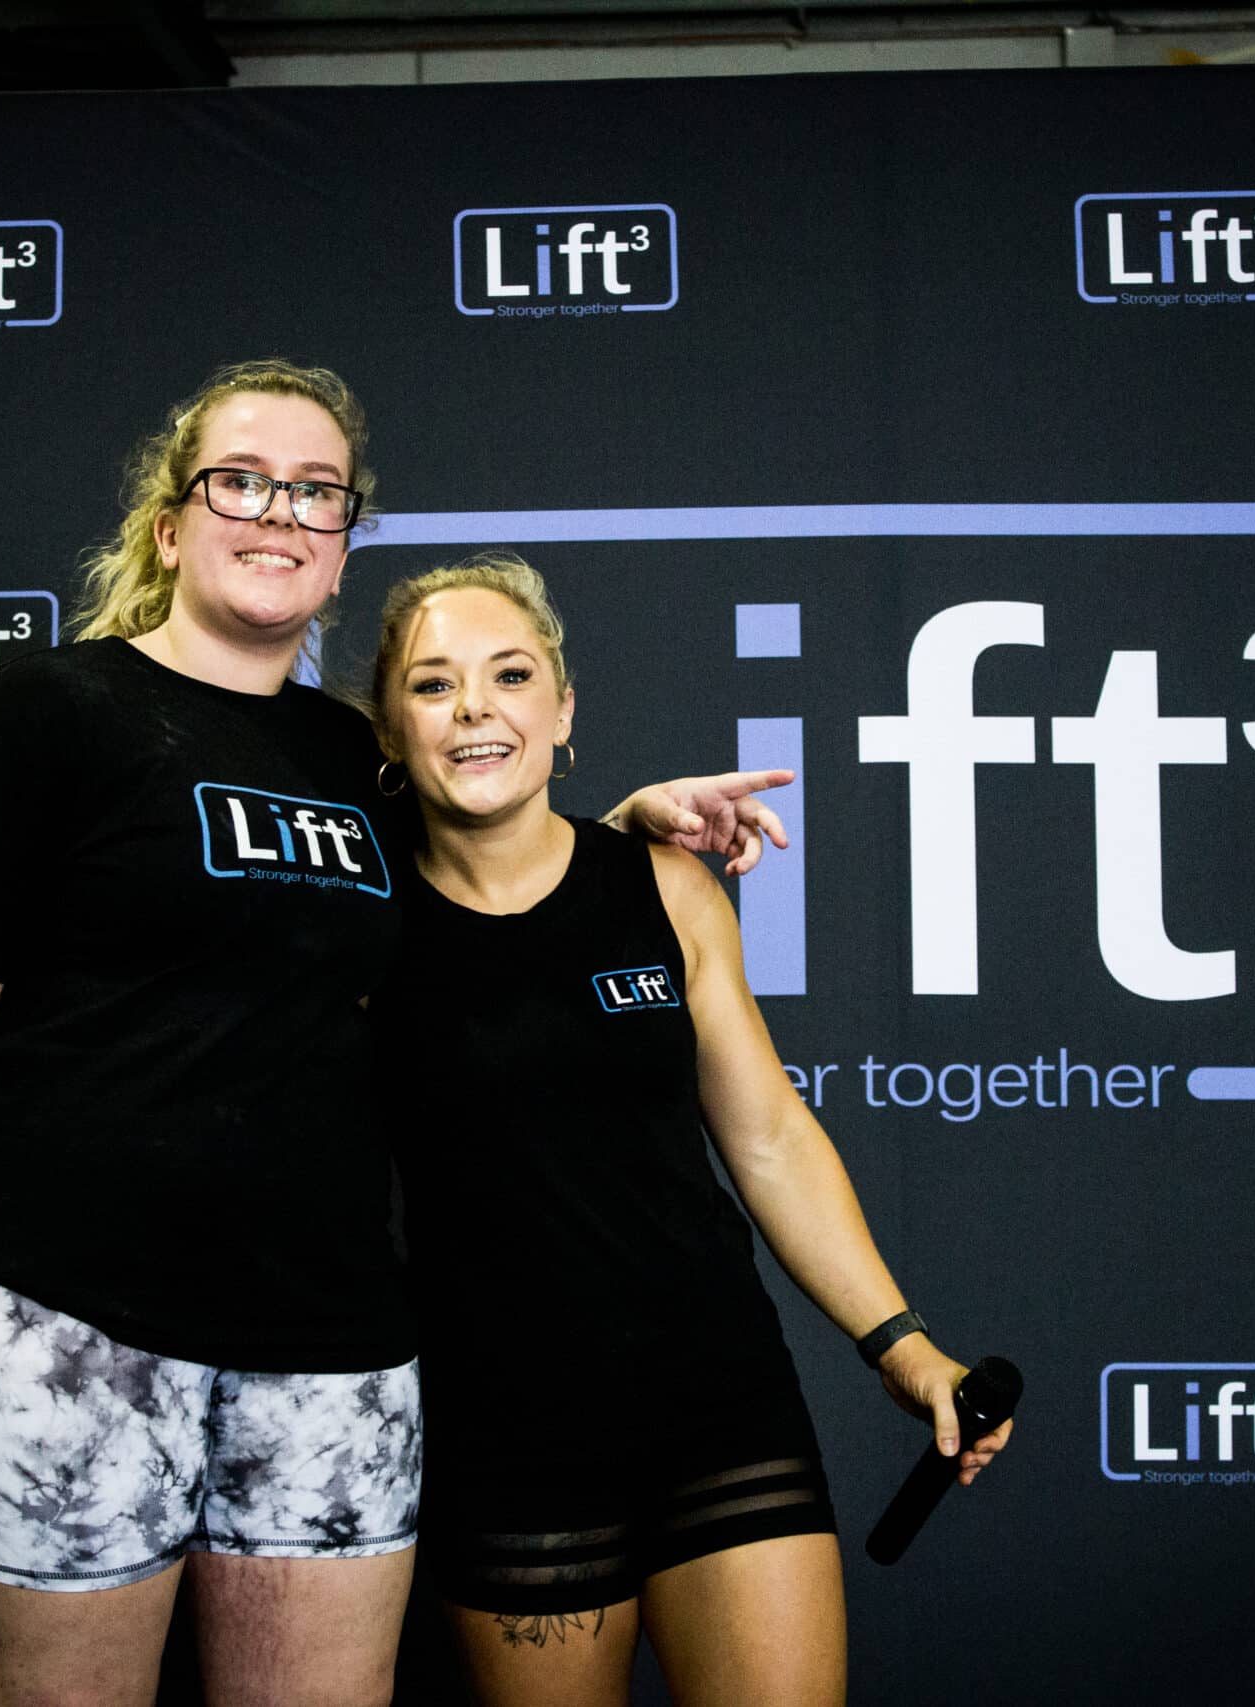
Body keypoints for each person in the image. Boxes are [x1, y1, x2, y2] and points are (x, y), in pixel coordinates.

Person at [0, 361, 789, 1707]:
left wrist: (632, 830)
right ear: (171, 521)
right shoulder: (49, 715)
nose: (278, 512)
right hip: (68, 1328)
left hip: (332, 1348)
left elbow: (500, 860)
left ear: (345, 543)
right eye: (241, 481)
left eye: (317, 491)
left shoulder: (361, 762)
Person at [366, 553, 1014, 1707]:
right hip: (506, 1433)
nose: (474, 708)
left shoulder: (665, 888)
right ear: (387, 725)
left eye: (510, 675)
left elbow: (768, 1139)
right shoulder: (355, 921)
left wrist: (902, 1348)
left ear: (564, 712)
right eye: (432, 684)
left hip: (718, 1403)